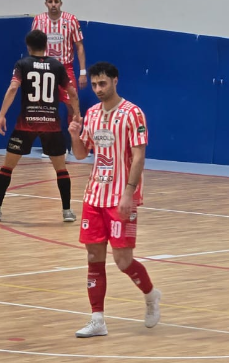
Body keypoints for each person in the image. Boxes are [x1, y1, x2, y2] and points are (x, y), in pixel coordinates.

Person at [68, 62, 161, 337]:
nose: (98, 89)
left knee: (122, 260)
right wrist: (74, 136)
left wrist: (129, 193)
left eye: (103, 83)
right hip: (94, 195)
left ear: (115, 81)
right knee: (93, 256)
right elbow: (82, 153)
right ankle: (97, 319)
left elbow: (139, 156)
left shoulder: (133, 113)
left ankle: (151, 294)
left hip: (121, 197)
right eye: (95, 85)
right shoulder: (92, 114)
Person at [0, 30, 80, 222]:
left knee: (7, 167)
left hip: (26, 124)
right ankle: (67, 212)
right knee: (60, 169)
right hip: (51, 124)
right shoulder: (57, 66)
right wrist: (77, 114)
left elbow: (13, 88)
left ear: (28, 46)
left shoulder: (22, 64)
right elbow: (72, 92)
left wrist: (2, 114)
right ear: (46, 45)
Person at [32, 0, 87, 154]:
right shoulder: (39, 20)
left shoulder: (71, 20)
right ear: (46, 3)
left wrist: (83, 72)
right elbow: (34, 46)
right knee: (47, 108)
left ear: (61, 3)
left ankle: (74, 145)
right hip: (45, 68)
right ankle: (49, 146)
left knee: (72, 106)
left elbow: (79, 46)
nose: (53, 4)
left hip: (65, 68)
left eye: (56, 1)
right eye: (50, 2)